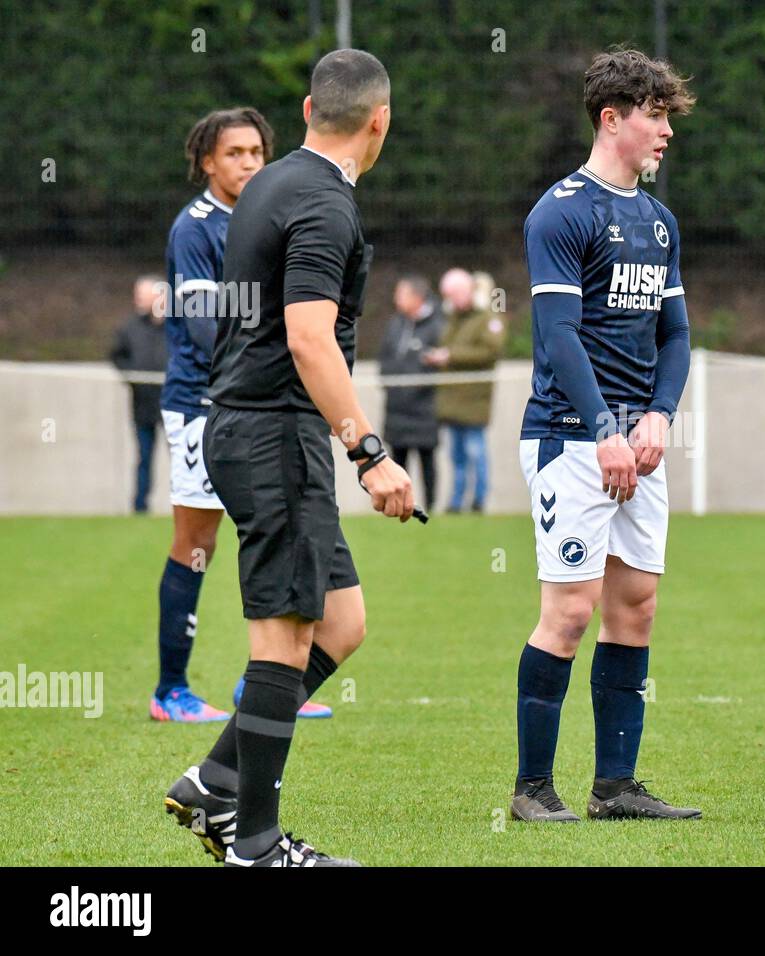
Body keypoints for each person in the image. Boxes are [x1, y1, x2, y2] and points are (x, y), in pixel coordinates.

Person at [163, 48, 411, 868]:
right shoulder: (325, 203)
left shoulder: (269, 184)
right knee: (281, 639)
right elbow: (309, 337)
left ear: (308, 110)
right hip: (273, 434)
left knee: (341, 623)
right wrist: (370, 452)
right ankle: (257, 848)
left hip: (253, 429)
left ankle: (216, 778)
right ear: (379, 121)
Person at [510, 49, 698, 822]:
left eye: (668, 117)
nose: (665, 133)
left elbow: (676, 336)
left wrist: (658, 417)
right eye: (654, 115)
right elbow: (559, 337)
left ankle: (615, 786)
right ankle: (531, 790)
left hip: (636, 441)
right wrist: (603, 430)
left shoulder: (659, 223)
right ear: (610, 119)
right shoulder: (561, 211)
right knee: (571, 611)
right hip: (568, 436)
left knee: (638, 605)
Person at [151, 107, 275, 724]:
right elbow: (203, 330)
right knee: (197, 541)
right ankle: (170, 689)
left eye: (256, 151)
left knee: (274, 533)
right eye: (234, 153)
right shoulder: (194, 229)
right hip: (204, 406)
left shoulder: (267, 217)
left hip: (260, 402)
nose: (249, 162)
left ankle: (266, 685)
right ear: (208, 161)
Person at [422, 268, 505, 513]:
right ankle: (456, 502)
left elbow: (492, 351)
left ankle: (479, 500)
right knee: (456, 456)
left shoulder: (488, 317)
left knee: (476, 452)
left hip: (475, 400)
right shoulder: (452, 319)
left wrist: (451, 356)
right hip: (451, 399)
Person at [378, 274, 443, 510]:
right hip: (396, 407)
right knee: (397, 461)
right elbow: (385, 358)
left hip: (424, 408)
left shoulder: (437, 324)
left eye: (401, 294)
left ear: (417, 297)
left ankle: (431, 507)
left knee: (427, 460)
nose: (397, 299)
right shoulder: (396, 323)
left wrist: (417, 388)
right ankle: (399, 506)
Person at [109, 275, 168, 513]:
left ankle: (186, 507)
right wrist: (131, 376)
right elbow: (117, 356)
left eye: (143, 295)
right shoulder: (129, 328)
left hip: (172, 403)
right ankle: (140, 506)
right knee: (144, 457)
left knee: (182, 460)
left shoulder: (178, 326)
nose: (138, 300)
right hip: (143, 404)